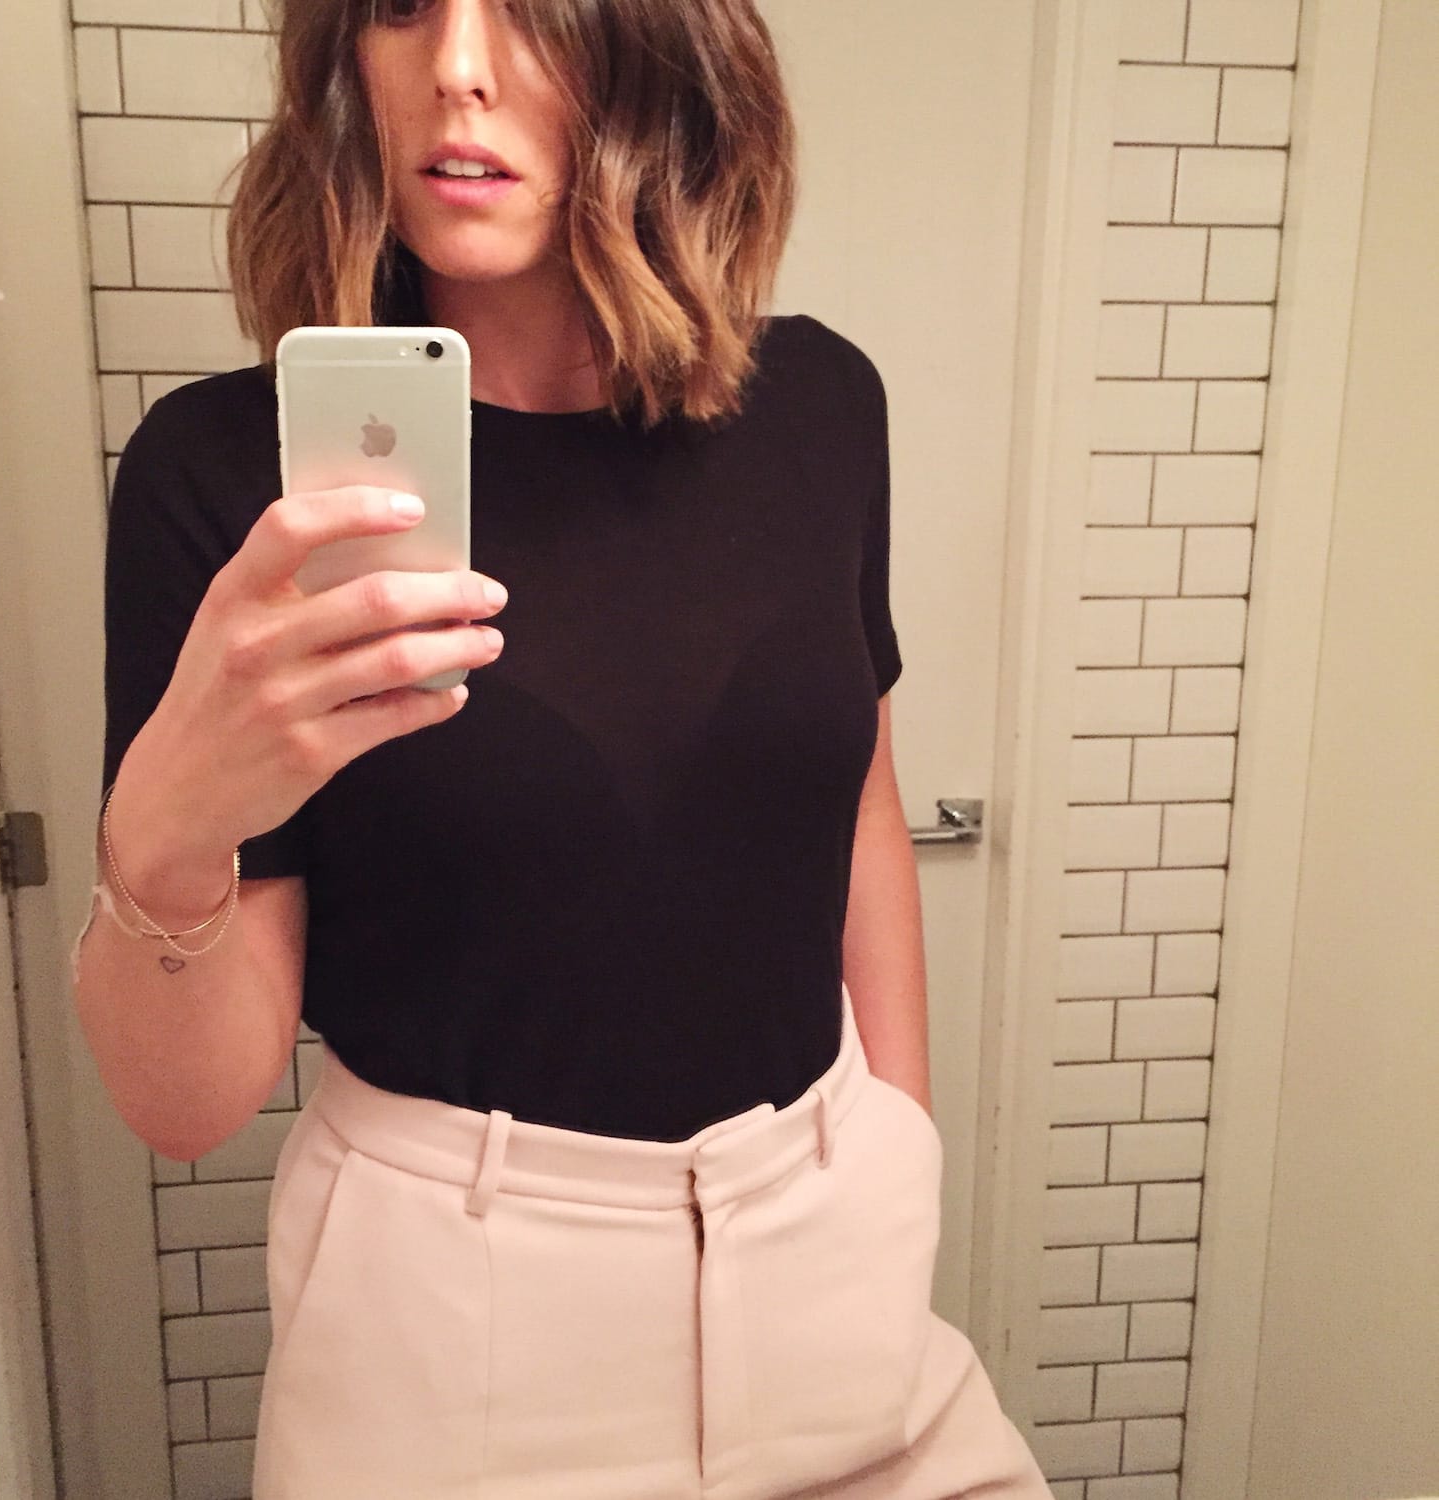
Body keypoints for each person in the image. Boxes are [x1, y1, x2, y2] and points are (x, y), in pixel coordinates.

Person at [71, 0, 1053, 1495]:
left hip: (834, 1254)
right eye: (402, 8)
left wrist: (897, 1141)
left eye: (531, 13)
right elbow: (184, 1109)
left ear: (658, 48)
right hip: (460, 1338)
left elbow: (857, 793)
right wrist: (164, 836)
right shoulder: (222, 479)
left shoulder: (821, 406)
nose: (458, 66)